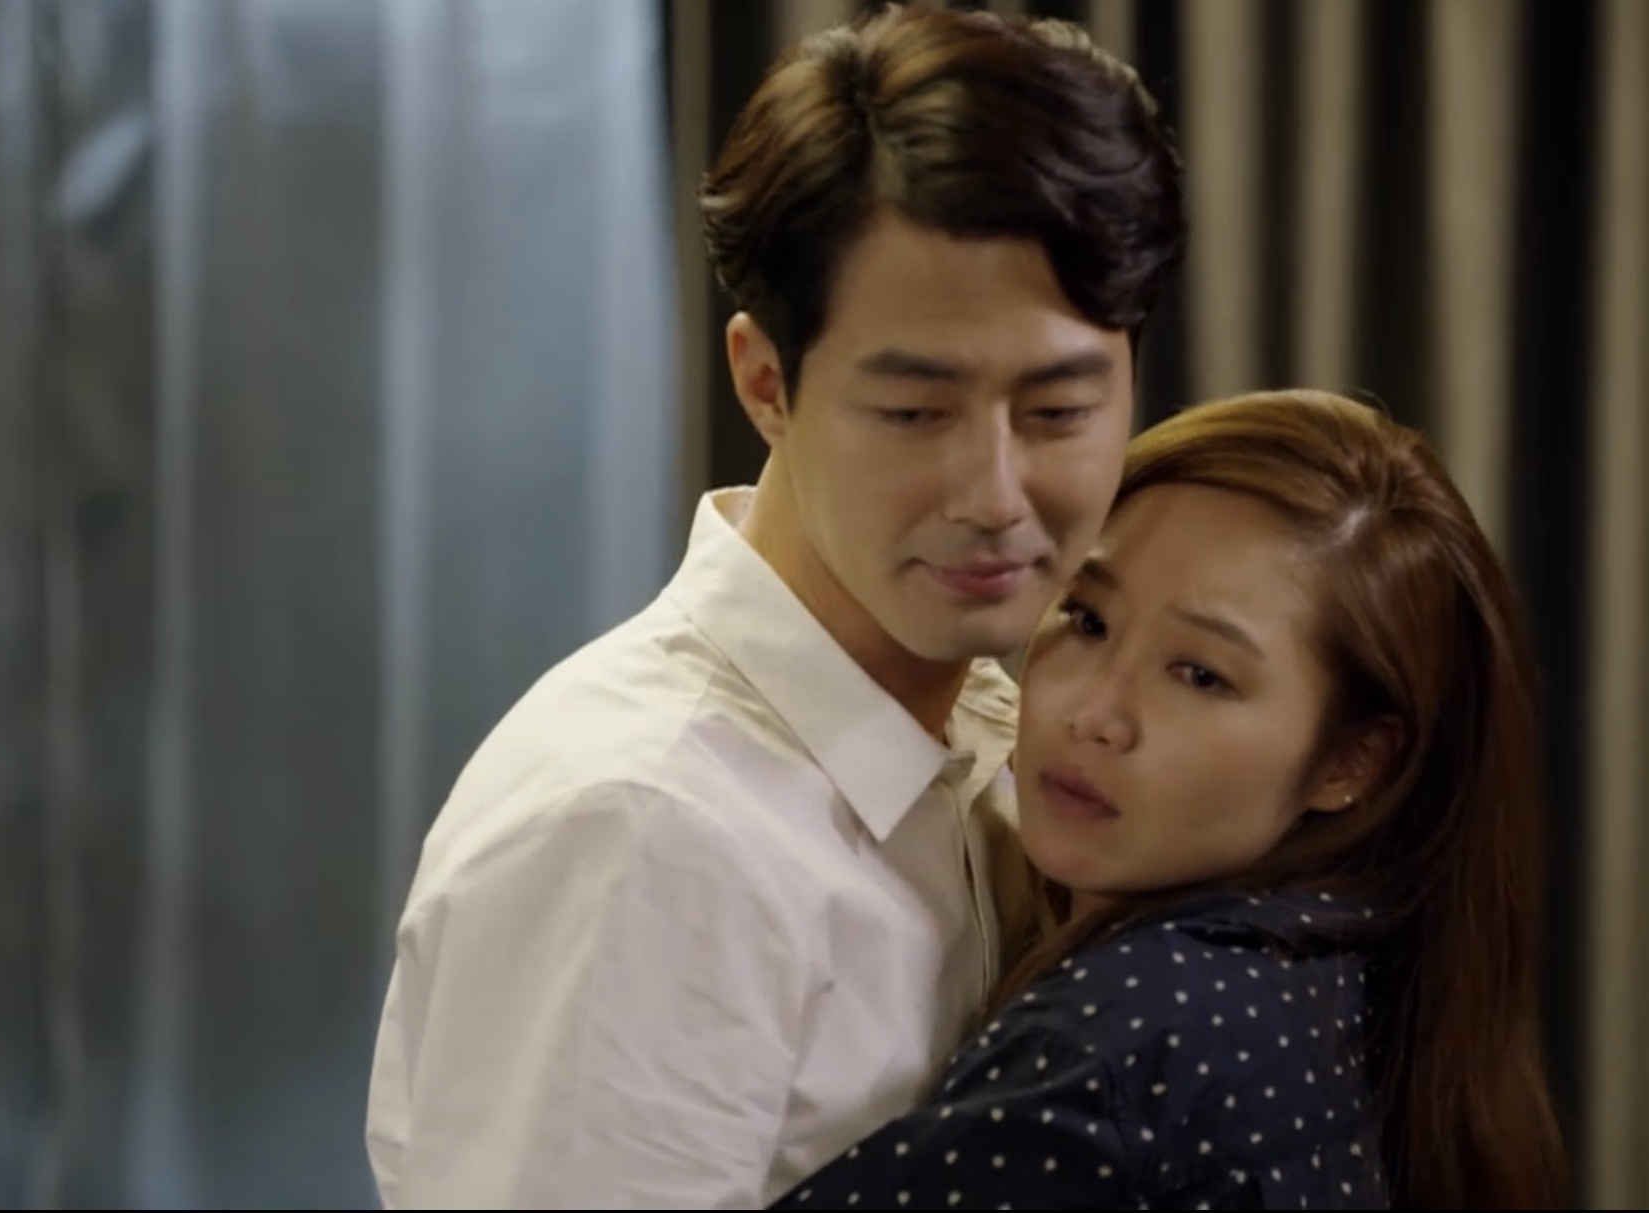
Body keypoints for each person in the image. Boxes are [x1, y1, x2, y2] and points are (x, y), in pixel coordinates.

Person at [363, 5, 1185, 1208]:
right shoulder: (648, 831)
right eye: (914, 413)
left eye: (1058, 411)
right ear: (765, 383)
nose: (995, 496)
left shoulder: (1002, 735)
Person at [770, 389, 1570, 1210]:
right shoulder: (1338, 981)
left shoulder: (1132, 1039)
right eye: (1087, 619)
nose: (1094, 713)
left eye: (1200, 675)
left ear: (1348, 761)